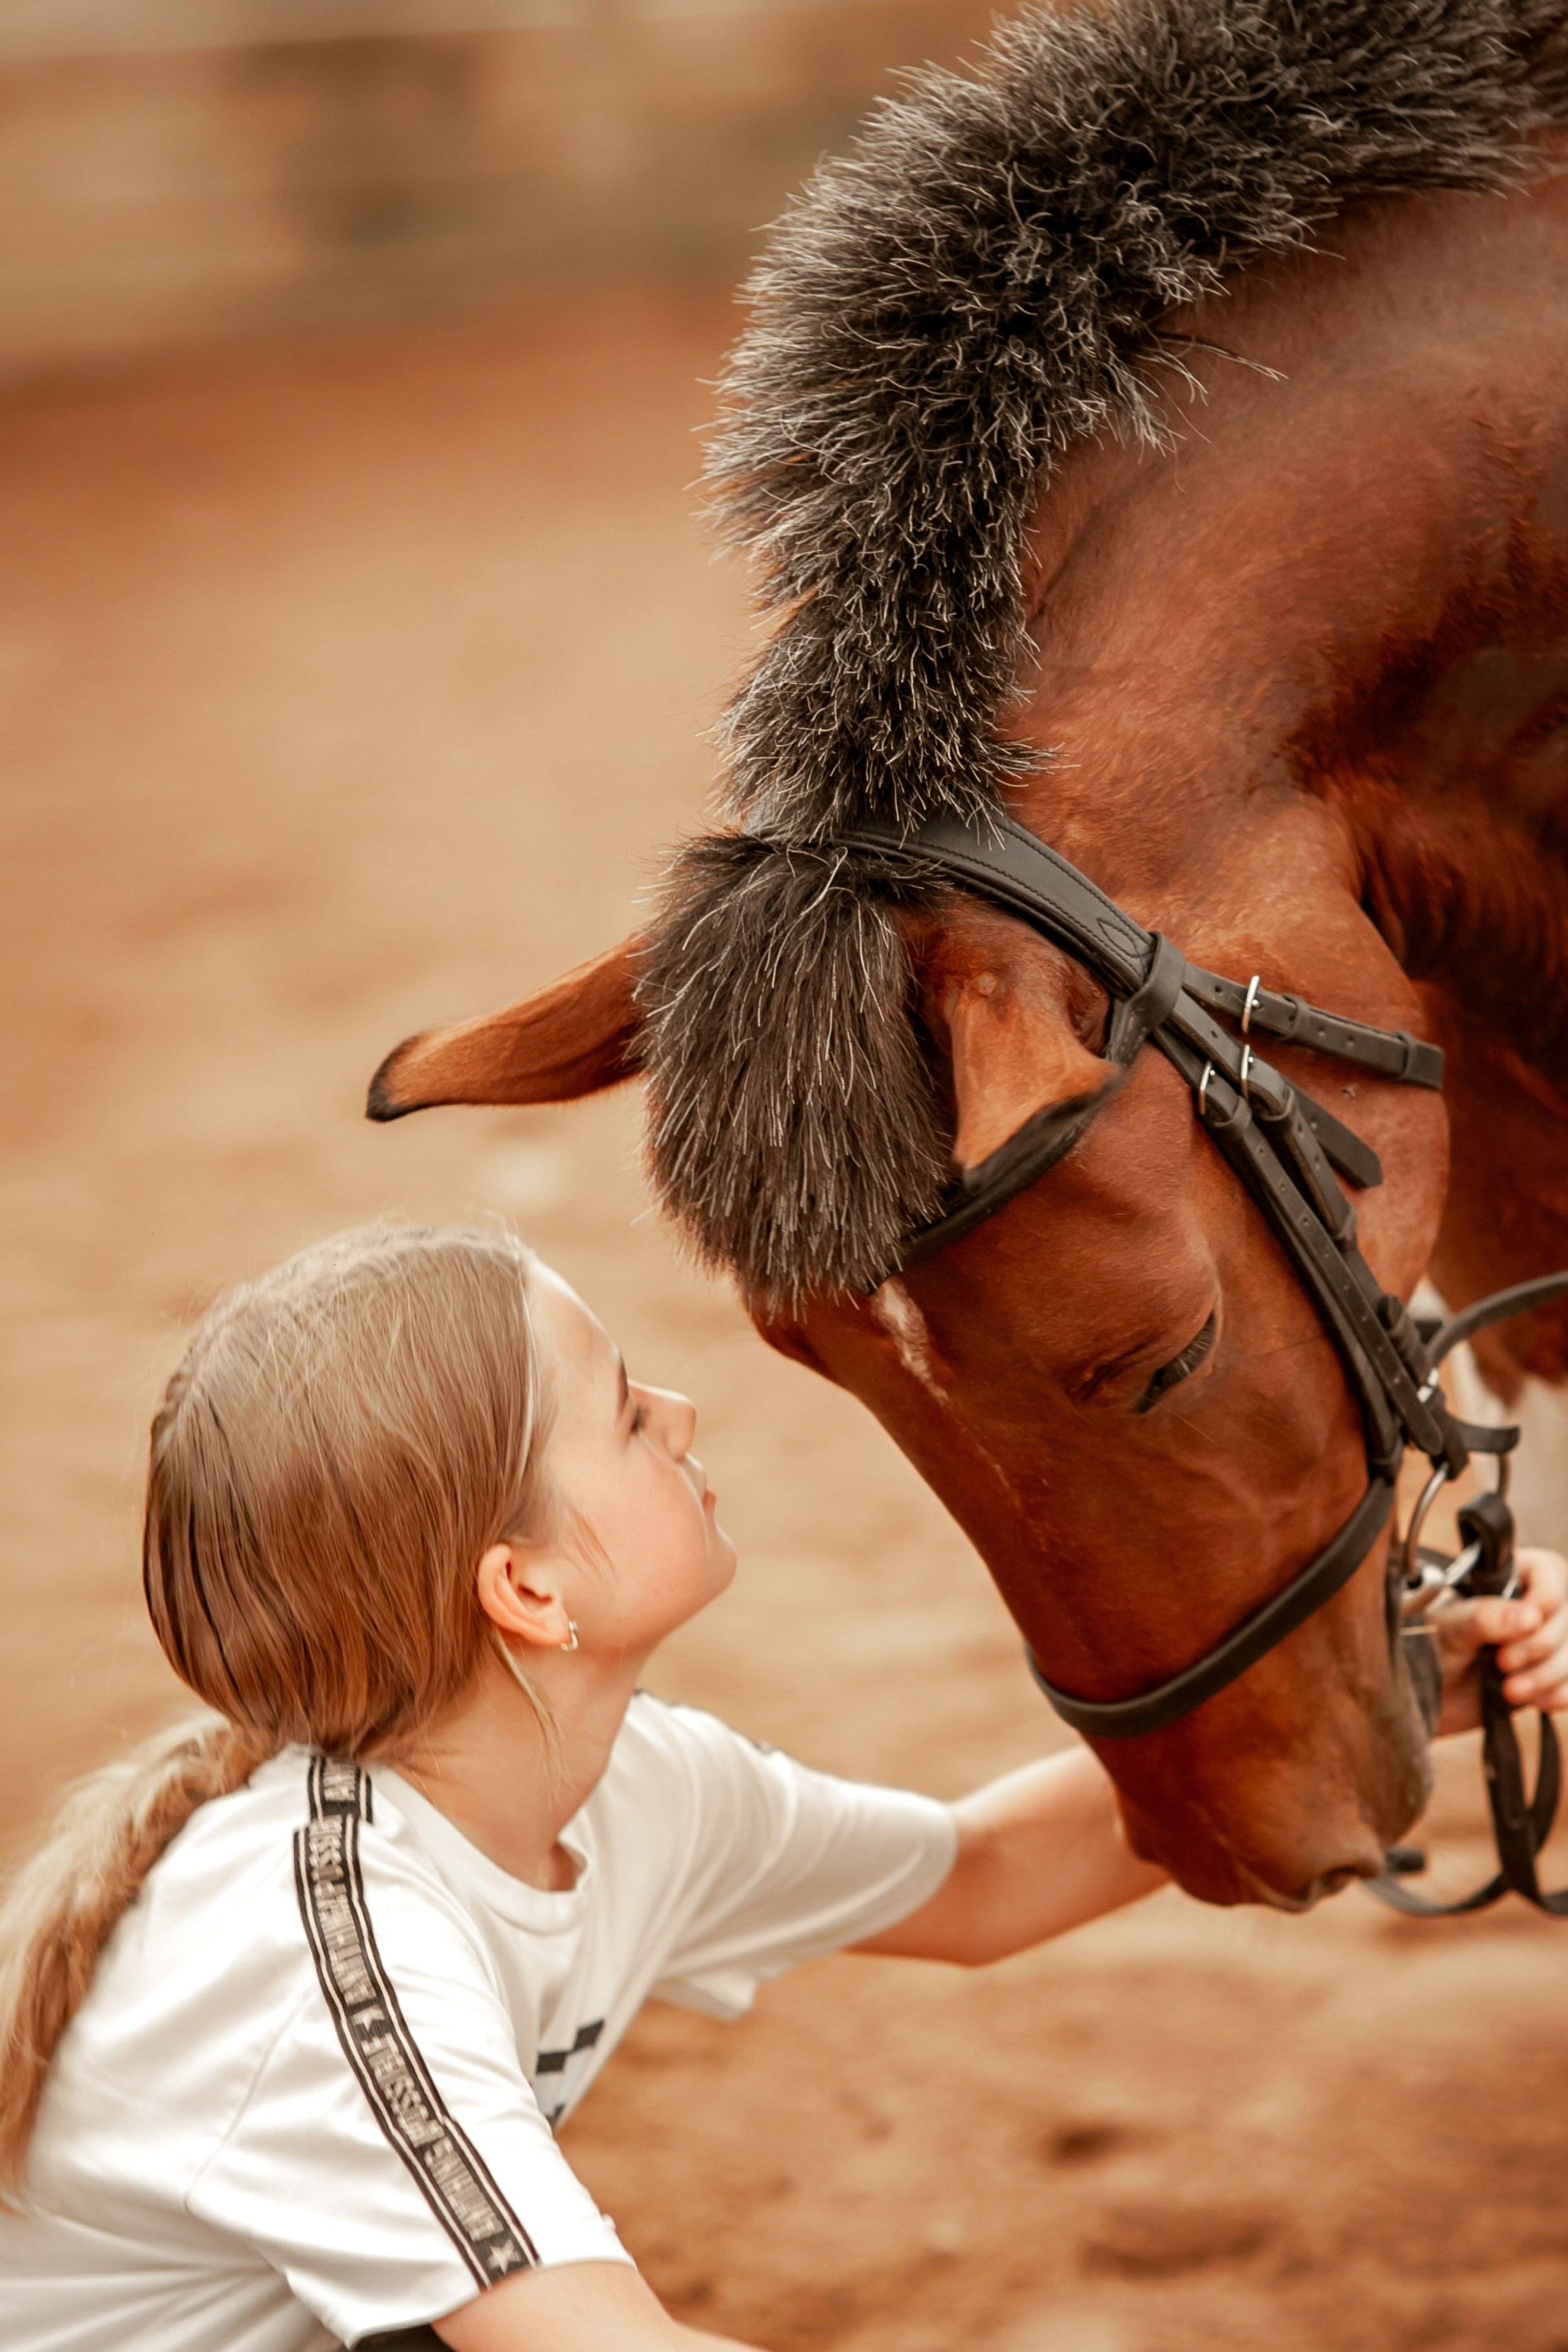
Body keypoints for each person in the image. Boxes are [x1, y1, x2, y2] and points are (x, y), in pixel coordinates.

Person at [0, 1227, 1562, 2352]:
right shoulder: (324, 1950)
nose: (677, 1412)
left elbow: (982, 1880)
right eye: (620, 1412)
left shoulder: (618, 1781)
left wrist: (1407, 1681)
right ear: (526, 1589)